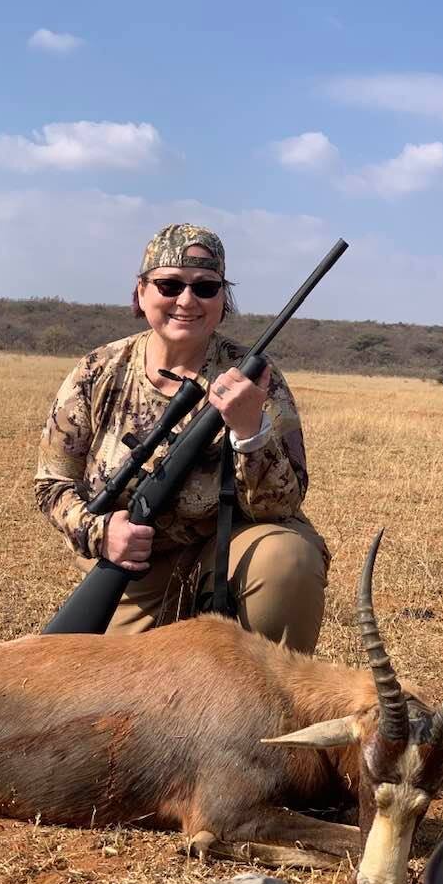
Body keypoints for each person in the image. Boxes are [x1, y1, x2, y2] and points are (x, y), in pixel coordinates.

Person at [35, 223, 329, 653]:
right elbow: (51, 486)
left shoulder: (256, 379)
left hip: (230, 556)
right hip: (135, 566)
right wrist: (102, 532)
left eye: (206, 288)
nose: (187, 301)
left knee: (287, 558)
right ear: (140, 291)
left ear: (222, 299)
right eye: (169, 284)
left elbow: (281, 506)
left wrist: (250, 431)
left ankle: (275, 707)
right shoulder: (98, 370)